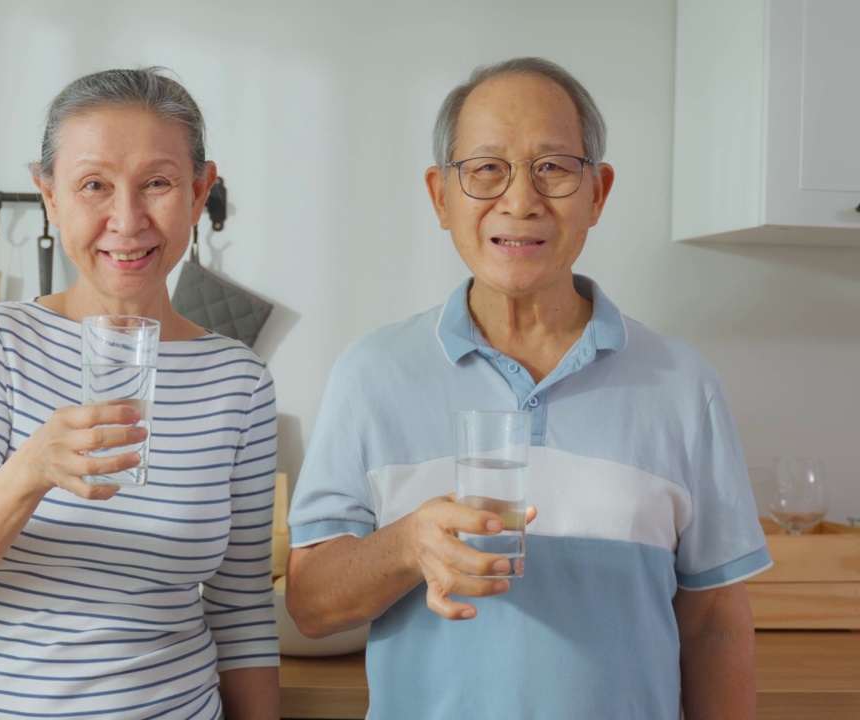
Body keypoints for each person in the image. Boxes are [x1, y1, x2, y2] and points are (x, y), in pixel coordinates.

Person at [285, 57, 770, 719]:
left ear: (597, 192)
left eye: (553, 168)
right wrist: (406, 546)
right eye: (487, 169)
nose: (520, 200)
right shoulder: (371, 374)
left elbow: (714, 618)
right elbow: (311, 608)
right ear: (440, 196)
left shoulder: (684, 386)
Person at [0, 68, 280, 720]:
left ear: (198, 190)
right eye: (93, 186)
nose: (126, 221)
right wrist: (31, 468)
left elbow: (241, 611)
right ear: (49, 197)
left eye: (157, 183)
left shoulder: (238, 381)